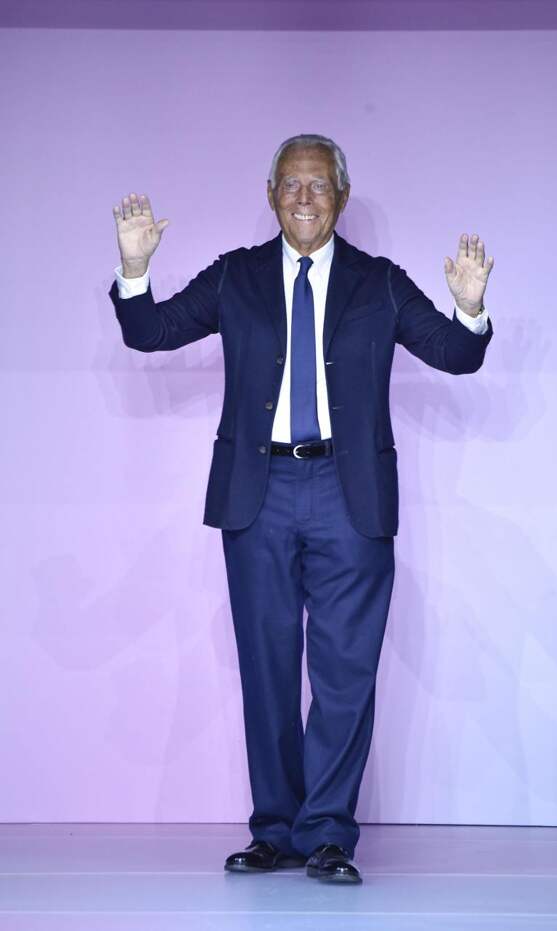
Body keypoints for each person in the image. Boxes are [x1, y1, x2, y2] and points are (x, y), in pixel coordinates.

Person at [109, 133, 494, 884]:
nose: (305, 198)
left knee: (346, 673)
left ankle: (327, 834)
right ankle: (275, 830)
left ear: (341, 198)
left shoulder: (380, 282)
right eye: (291, 184)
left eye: (319, 185)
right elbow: (152, 333)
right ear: (271, 195)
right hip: (258, 494)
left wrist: (470, 309)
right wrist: (134, 270)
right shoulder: (236, 276)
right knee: (268, 668)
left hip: (351, 497)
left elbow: (455, 353)